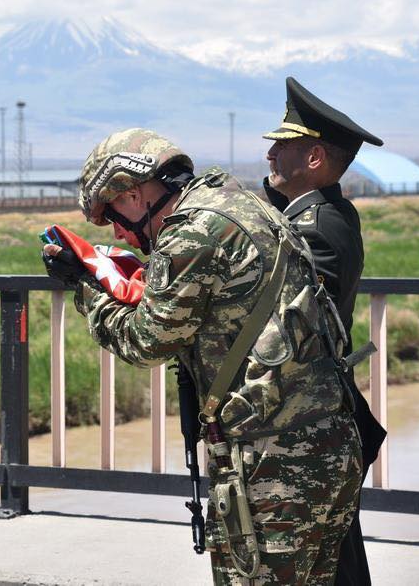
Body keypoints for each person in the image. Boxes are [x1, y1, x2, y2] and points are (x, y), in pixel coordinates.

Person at [46, 128, 361, 584]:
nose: (118, 232)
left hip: (272, 461)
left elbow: (146, 341)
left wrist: (87, 289)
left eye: (114, 215)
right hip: (326, 442)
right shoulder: (237, 202)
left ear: (134, 194)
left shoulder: (193, 232)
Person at [263, 77, 387, 586]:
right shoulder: (315, 213)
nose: (270, 153)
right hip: (309, 418)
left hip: (309, 420)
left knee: (324, 557)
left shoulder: (320, 226)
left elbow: (282, 319)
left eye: (283, 146)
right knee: (332, 553)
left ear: (314, 158)